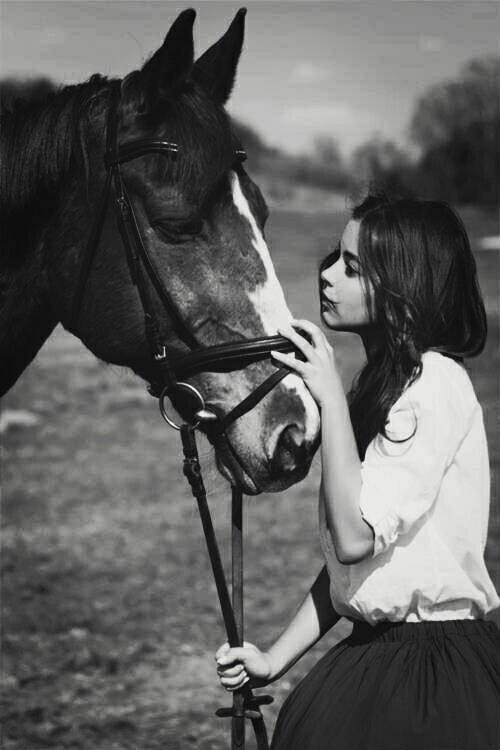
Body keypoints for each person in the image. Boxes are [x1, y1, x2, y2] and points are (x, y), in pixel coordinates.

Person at [214, 193, 500, 750]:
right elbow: (357, 573)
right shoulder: (382, 388)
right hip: (375, 651)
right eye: (333, 258)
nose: (327, 277)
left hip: (430, 674)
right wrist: (274, 658)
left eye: (352, 267)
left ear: (404, 286)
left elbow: (352, 537)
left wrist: (330, 400)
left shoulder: (435, 385)